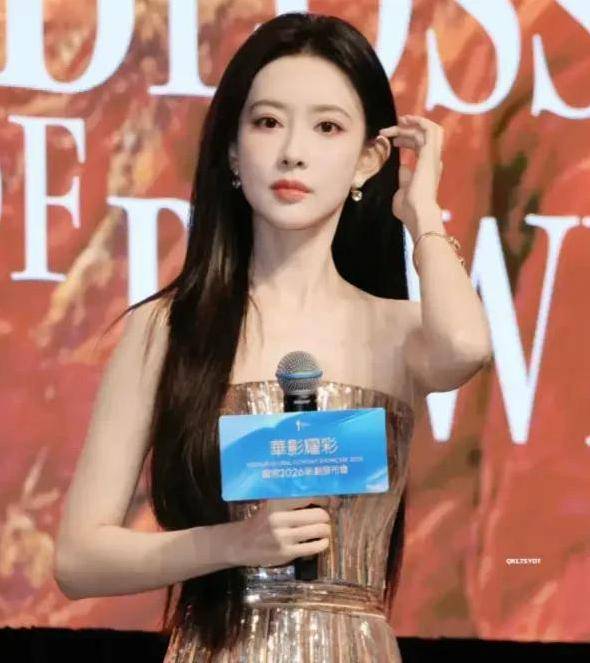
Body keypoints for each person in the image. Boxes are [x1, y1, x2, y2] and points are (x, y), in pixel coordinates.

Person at [53, 12, 492, 662]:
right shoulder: (170, 328)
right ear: (234, 152)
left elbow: (467, 347)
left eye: (326, 127)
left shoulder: (398, 328)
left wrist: (421, 209)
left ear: (367, 160)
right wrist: (234, 543)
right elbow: (77, 558)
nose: (292, 151)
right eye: (266, 122)